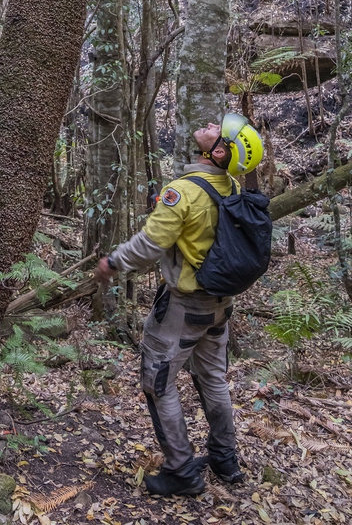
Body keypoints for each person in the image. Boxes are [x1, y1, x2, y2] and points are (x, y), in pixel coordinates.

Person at [96, 113, 264, 497]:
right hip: (219, 308)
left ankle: (181, 470)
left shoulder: (184, 191)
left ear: (220, 150)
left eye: (215, 131)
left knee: (157, 383)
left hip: (183, 309)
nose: (206, 125)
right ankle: (225, 459)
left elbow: (151, 244)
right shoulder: (231, 186)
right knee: (213, 380)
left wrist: (113, 262)